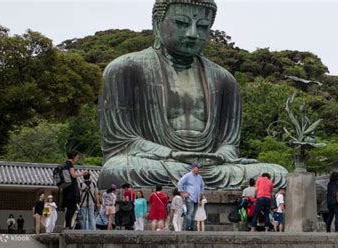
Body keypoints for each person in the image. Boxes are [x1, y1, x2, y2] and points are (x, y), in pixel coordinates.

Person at [96, 0, 288, 191]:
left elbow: (229, 144)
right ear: (156, 23)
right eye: (182, 23)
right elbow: (122, 142)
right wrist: (171, 154)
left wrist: (220, 155)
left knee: (278, 173)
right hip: (159, 163)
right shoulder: (125, 69)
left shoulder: (224, 80)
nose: (192, 34)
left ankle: (197, 178)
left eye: (203, 26)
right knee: (117, 169)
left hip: (213, 166)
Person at [63, 150, 88, 229]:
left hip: (67, 189)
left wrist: (78, 189)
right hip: (71, 191)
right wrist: (82, 173)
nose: (77, 158)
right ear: (73, 156)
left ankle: (68, 225)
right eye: (77, 157)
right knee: (71, 207)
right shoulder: (70, 164)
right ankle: (68, 226)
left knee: (70, 208)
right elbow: (73, 175)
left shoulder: (65, 164)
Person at [177, 162, 205, 231]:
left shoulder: (200, 177)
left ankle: (191, 227)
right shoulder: (188, 176)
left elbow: (202, 186)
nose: (199, 169)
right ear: (193, 168)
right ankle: (188, 227)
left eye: (199, 168)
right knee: (190, 211)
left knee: (193, 213)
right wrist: (182, 193)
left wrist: (201, 193)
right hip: (189, 197)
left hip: (197, 198)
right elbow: (180, 183)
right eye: (198, 168)